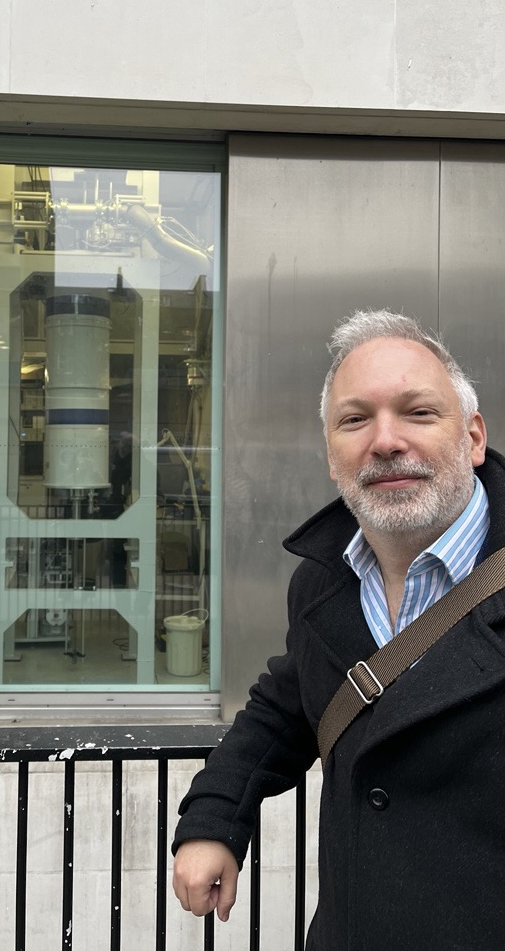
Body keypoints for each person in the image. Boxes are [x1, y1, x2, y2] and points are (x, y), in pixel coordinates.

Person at [172, 309, 505, 951]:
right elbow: (285, 705)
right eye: (355, 420)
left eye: (418, 412)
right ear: (332, 456)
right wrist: (215, 816)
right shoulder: (323, 584)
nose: (385, 441)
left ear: (472, 438)